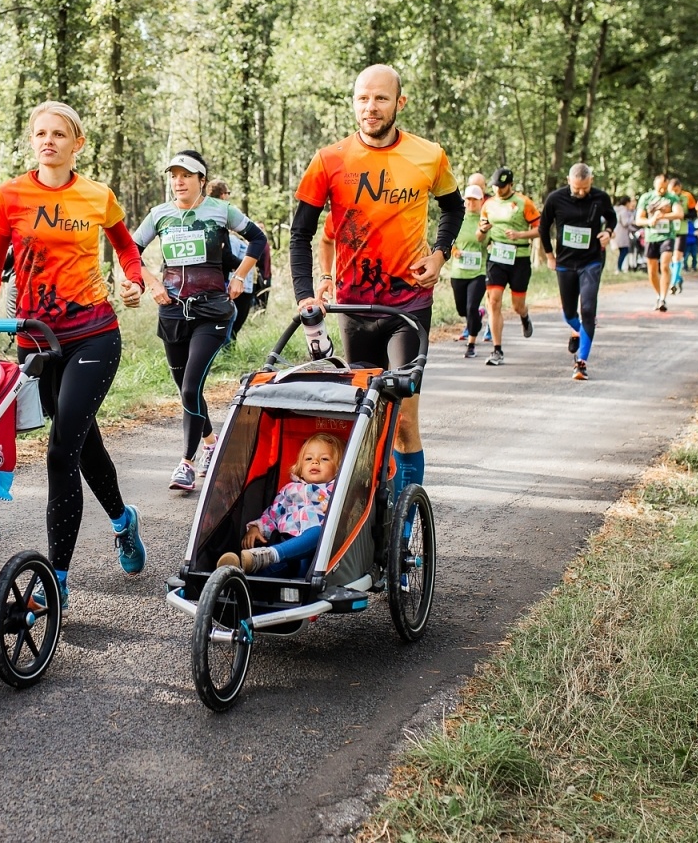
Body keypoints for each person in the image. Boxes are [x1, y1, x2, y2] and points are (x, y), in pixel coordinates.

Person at [0, 102, 147, 609]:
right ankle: (122, 520)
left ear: (77, 143)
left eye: (59, 134)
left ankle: (58, 580)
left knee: (60, 450)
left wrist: (131, 281)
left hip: (93, 332)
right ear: (32, 141)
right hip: (34, 338)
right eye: (40, 134)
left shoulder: (97, 195)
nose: (48, 141)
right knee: (83, 441)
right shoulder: (11, 194)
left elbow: (127, 249)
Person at [289, 64, 463, 498]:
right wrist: (308, 292)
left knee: (403, 420)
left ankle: (403, 533)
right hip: (353, 308)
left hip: (408, 306)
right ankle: (368, 516)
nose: (371, 107)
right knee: (363, 417)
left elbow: (453, 209)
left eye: (381, 98)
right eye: (363, 98)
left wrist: (440, 253)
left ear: (399, 103)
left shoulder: (430, 155)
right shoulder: (329, 160)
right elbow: (301, 234)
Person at [135, 151, 267, 492]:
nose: (178, 181)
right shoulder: (159, 214)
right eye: (174, 175)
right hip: (172, 310)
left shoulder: (220, 211)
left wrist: (240, 275)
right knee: (186, 390)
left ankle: (187, 463)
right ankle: (211, 442)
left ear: (201, 180)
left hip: (212, 310)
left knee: (192, 386)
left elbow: (258, 238)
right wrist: (151, 282)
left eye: (186, 175)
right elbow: (128, 250)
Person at [216, 432, 341, 575]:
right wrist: (257, 528)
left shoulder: (336, 490)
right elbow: (272, 514)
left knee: (320, 532)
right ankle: (237, 570)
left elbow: (350, 513)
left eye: (324, 459)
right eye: (308, 458)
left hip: (314, 551)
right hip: (285, 545)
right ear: (299, 467)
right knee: (265, 570)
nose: (315, 462)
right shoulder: (290, 489)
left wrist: (335, 508)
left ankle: (268, 555)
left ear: (338, 468)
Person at [539, 164, 618, 381]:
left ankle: (581, 362)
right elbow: (543, 227)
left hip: (590, 261)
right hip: (564, 262)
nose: (581, 192)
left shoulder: (600, 197)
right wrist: (549, 256)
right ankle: (578, 330)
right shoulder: (556, 198)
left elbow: (612, 217)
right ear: (569, 181)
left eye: (585, 188)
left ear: (591, 181)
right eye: (577, 188)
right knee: (569, 313)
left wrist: (608, 232)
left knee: (588, 310)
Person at [478, 166, 539, 366]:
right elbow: (480, 237)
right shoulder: (488, 205)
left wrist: (520, 235)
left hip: (519, 257)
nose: (498, 190)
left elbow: (541, 229)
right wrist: (482, 230)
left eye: (502, 187)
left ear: (511, 185)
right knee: (493, 302)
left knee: (517, 305)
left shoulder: (524, 203)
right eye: (495, 186)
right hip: (496, 257)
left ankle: (524, 315)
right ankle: (497, 350)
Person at [209, 180, 263, 341]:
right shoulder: (220, 216)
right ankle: (223, 348)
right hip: (218, 279)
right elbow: (225, 255)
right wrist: (242, 268)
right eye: (228, 193)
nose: (228, 197)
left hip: (220, 277)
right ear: (222, 194)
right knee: (230, 314)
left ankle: (225, 348)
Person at [450, 185, 489, 358]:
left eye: (474, 199)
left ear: (481, 201)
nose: (471, 203)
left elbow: (489, 241)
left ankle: (471, 344)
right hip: (458, 272)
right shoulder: (458, 218)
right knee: (462, 310)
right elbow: (449, 240)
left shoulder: (485, 220)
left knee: (471, 307)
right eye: (468, 199)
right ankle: (477, 318)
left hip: (478, 272)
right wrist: (454, 251)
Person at [636, 173, 683, 312]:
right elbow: (639, 219)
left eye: (664, 188)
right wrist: (650, 221)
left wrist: (664, 215)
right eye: (660, 188)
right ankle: (658, 294)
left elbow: (679, 214)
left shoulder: (672, 198)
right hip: (651, 237)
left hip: (667, 236)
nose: (662, 191)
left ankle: (663, 297)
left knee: (664, 265)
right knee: (652, 271)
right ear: (654, 185)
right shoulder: (646, 198)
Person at [668, 178, 697, 285]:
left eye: (676, 190)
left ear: (680, 188)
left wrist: (682, 215)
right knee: (668, 257)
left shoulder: (687, 196)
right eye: (671, 190)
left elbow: (694, 214)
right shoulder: (666, 197)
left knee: (677, 256)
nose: (674, 193)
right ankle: (678, 277)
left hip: (682, 230)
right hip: (668, 231)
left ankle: (673, 283)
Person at [613, 195, 637, 273]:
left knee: (623, 251)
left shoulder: (618, 209)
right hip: (621, 234)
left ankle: (620, 267)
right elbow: (625, 222)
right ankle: (618, 268)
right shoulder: (623, 211)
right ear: (627, 202)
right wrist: (632, 217)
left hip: (618, 233)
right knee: (624, 251)